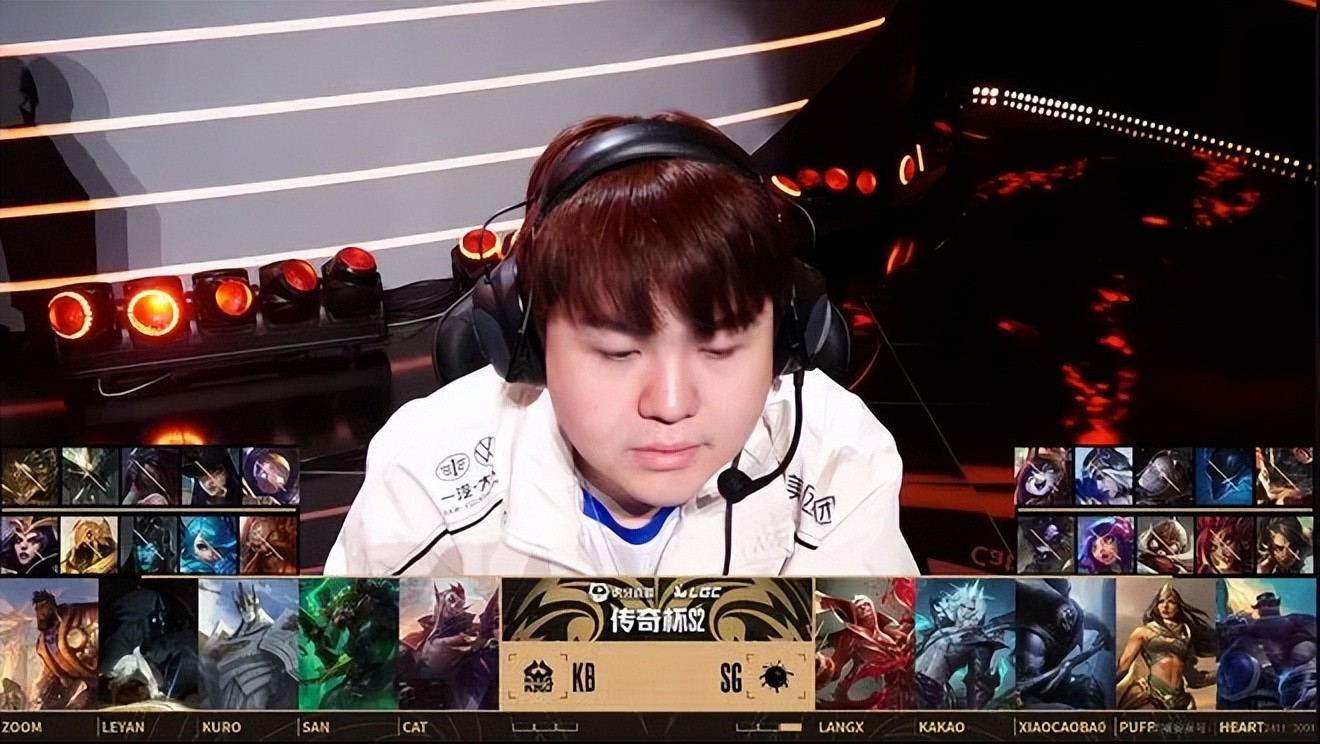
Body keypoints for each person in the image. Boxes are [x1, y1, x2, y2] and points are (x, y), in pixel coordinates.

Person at [327, 112, 918, 577]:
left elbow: (864, 675)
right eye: (616, 351)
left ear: (787, 340)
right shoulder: (423, 478)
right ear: (527, 341)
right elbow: (343, 675)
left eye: (719, 348)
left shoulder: (839, 458)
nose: (670, 404)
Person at [1115, 582, 1215, 709]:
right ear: (1156, 606)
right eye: (1161, 602)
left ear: (1178, 607)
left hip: (1181, 702)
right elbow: (1123, 667)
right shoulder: (1143, 632)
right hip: (1152, 697)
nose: (1165, 606)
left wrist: (1223, 672)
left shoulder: (1186, 635)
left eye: (1171, 602)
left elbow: (1194, 679)